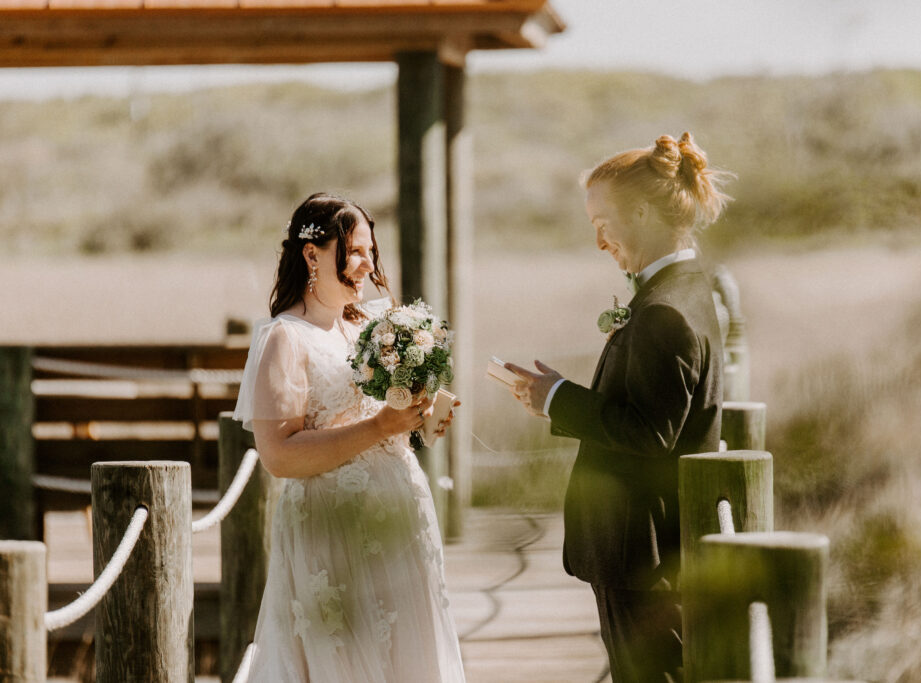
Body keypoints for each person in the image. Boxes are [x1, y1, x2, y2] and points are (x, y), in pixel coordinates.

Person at [506, 133, 731, 682]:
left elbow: (652, 434)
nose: (600, 241)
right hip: (647, 553)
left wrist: (557, 399)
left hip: (643, 556)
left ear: (640, 212)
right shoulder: (683, 290)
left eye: (602, 223)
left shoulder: (665, 313)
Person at [233, 192, 465, 682]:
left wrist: (418, 422)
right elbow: (278, 455)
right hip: (332, 529)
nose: (367, 263)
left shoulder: (370, 328)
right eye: (355, 251)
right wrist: (380, 427)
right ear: (312, 254)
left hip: (400, 519)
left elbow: (381, 421)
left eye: (371, 252)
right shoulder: (286, 337)